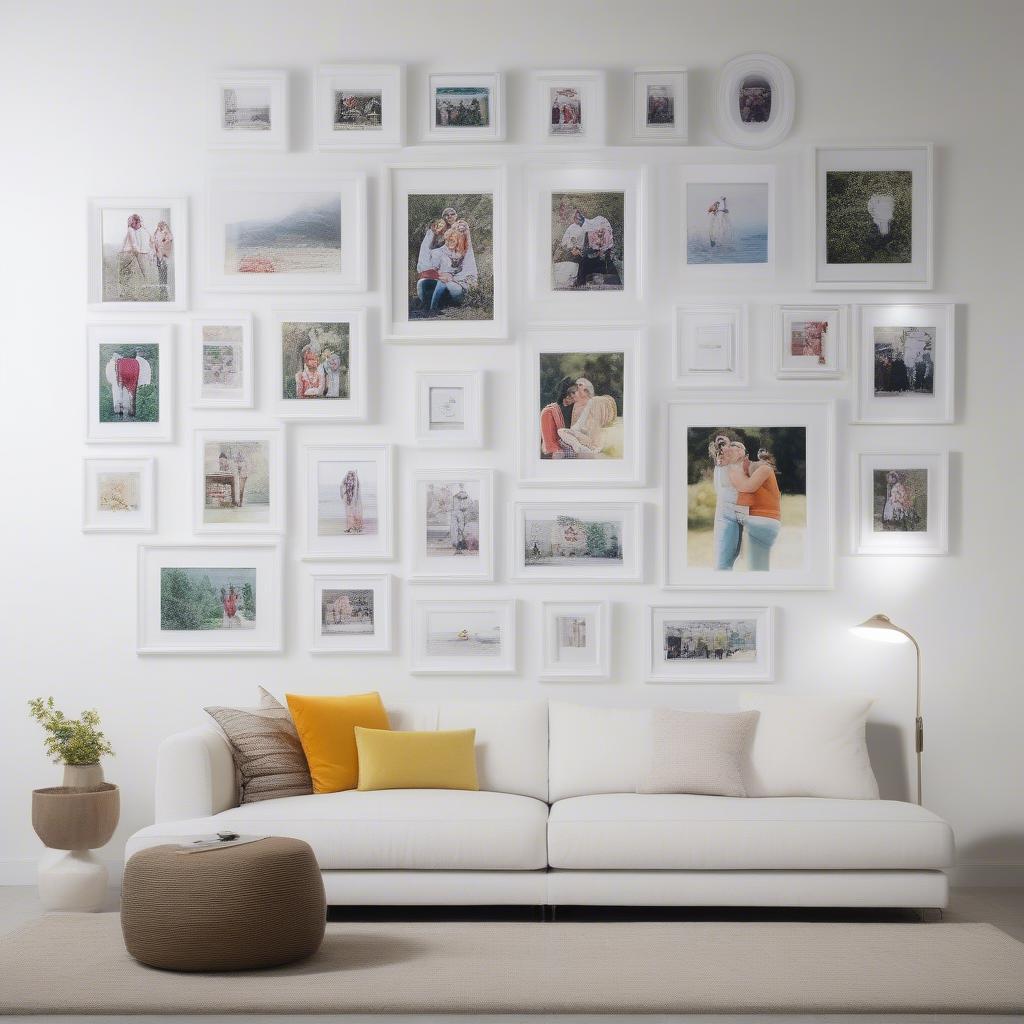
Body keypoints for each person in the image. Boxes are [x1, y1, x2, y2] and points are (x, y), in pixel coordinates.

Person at [729, 445, 782, 571]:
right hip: (760, 521)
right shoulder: (756, 472)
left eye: (740, 463)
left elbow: (747, 487)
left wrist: (733, 472)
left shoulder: (764, 469)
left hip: (763, 520)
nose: (740, 469)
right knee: (756, 567)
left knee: (756, 570)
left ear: (747, 458)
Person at [416, 217, 477, 314]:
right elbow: (431, 268)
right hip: (441, 285)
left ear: (458, 240)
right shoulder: (440, 252)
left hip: (458, 288)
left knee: (443, 282)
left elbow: (469, 276)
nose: (449, 243)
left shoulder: (465, 254)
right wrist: (438, 274)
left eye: (452, 241)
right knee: (422, 282)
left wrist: (451, 277)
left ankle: (432, 310)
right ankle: (425, 306)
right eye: (447, 240)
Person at [709, 434, 745, 570]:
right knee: (724, 561)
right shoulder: (722, 467)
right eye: (733, 447)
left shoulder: (739, 467)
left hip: (738, 515)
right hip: (728, 515)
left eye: (740, 447)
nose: (737, 449)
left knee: (733, 556)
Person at [557, 378, 617, 457]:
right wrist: (573, 433)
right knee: (561, 431)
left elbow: (595, 425)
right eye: (578, 386)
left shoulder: (595, 402)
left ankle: (582, 448)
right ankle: (579, 447)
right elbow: (578, 425)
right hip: (582, 436)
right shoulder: (577, 405)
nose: (579, 387)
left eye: (580, 385)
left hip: (590, 438)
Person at [539, 377, 578, 458]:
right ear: (567, 394)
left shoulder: (578, 410)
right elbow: (550, 445)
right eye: (574, 392)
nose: (578, 395)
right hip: (556, 456)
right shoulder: (548, 412)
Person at [119, 213, 153, 296]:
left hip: (139, 253)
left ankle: (128, 291)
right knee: (129, 272)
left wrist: (147, 252)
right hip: (132, 253)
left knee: (140, 272)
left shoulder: (142, 230)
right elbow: (133, 243)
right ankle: (125, 291)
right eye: (132, 222)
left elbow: (150, 241)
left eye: (134, 222)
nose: (132, 224)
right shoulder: (132, 229)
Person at [151, 220, 173, 295]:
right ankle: (161, 288)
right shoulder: (156, 232)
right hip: (158, 255)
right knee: (160, 270)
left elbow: (170, 238)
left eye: (162, 225)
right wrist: (154, 249)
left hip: (164, 255)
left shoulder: (166, 232)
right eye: (159, 225)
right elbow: (153, 241)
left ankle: (164, 288)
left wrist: (164, 240)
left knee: (164, 270)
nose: (160, 227)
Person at [450, 482, 471, 554]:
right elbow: (461, 498)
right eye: (461, 485)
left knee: (460, 528)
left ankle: (459, 543)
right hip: (457, 512)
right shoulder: (457, 493)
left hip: (459, 512)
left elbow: (465, 501)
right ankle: (457, 543)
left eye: (462, 485)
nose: (461, 486)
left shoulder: (463, 493)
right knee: (456, 528)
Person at [342, 469, 363, 533]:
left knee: (355, 513)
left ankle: (357, 527)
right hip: (349, 500)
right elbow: (343, 485)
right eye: (349, 475)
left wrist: (356, 477)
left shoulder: (355, 482)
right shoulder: (346, 481)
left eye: (351, 475)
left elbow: (356, 490)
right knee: (349, 514)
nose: (350, 477)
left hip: (355, 501)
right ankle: (349, 527)